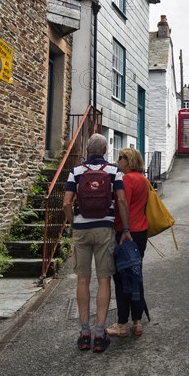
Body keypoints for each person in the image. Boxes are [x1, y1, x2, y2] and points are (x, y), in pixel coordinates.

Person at [63, 133, 132, 353]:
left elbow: (66, 202)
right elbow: (121, 200)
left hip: (82, 229)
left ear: (87, 151)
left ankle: (85, 334)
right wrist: (126, 229)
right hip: (105, 229)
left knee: (83, 280)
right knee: (104, 280)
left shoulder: (76, 171)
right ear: (104, 151)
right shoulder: (114, 171)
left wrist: (72, 222)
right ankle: (100, 335)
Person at [106, 148, 149, 339]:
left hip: (127, 234)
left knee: (122, 278)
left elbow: (123, 205)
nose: (118, 161)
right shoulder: (143, 179)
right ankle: (137, 322)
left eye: (121, 158)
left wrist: (124, 231)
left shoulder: (127, 179)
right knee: (136, 275)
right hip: (141, 232)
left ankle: (122, 324)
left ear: (129, 160)